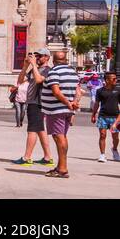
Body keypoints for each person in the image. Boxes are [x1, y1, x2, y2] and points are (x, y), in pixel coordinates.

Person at [41, 49, 81, 179]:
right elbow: (78, 91)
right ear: (66, 60)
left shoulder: (54, 72)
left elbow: (56, 92)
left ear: (53, 60)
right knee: (62, 137)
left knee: (59, 138)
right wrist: (74, 102)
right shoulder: (73, 72)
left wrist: (68, 103)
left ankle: (63, 169)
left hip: (56, 109)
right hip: (66, 110)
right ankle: (60, 166)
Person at [13, 51, 54, 167]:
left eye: (40, 56)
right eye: (36, 56)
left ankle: (27, 157)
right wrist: (26, 66)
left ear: (47, 57)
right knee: (40, 130)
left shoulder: (48, 70)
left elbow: (39, 80)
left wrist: (34, 65)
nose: (37, 58)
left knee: (32, 129)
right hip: (32, 101)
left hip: (38, 102)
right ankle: (48, 157)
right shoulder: (33, 69)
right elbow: (20, 81)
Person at [91, 70, 120, 163]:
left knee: (115, 137)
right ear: (107, 80)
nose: (116, 80)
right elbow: (96, 103)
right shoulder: (100, 91)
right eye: (114, 79)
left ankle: (114, 150)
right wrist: (93, 114)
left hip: (115, 117)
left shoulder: (118, 90)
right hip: (102, 116)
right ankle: (102, 155)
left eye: (116, 78)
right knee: (102, 135)